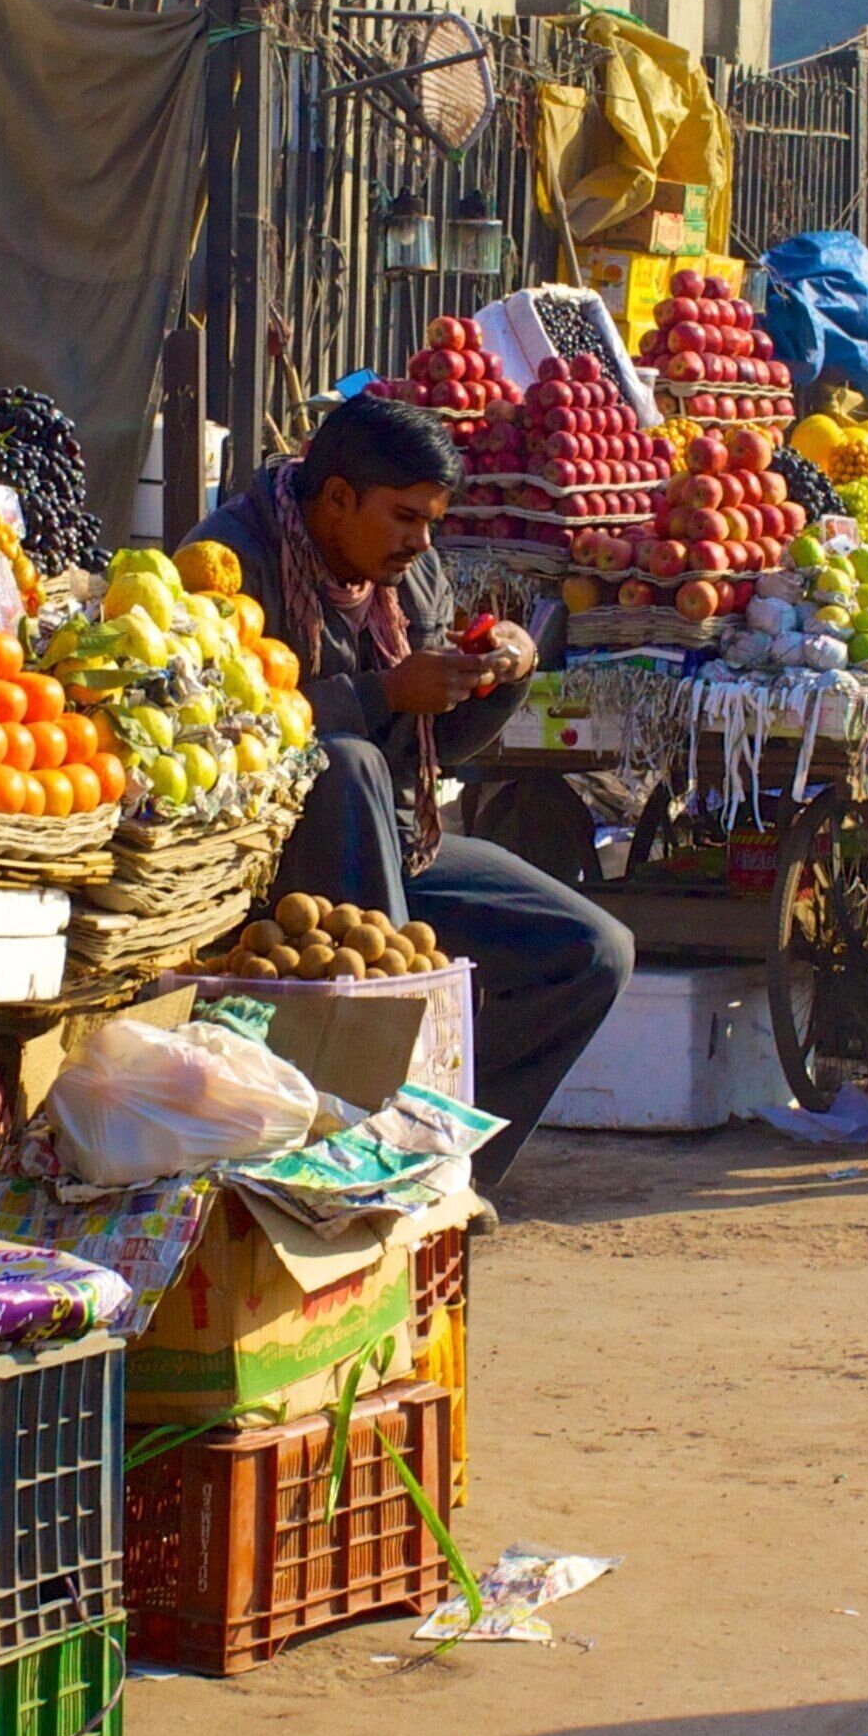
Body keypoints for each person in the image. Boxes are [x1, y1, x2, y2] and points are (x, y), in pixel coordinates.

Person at [183, 394, 632, 1189]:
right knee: (346, 764)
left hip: (394, 848)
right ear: (337, 499)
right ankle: (383, 1121)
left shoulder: (409, 574)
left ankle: (441, 1161)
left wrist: (496, 678)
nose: (421, 542)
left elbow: (434, 746)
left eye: (430, 522)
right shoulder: (228, 563)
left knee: (593, 953)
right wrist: (383, 694)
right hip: (264, 868)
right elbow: (214, 734)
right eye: (404, 518)